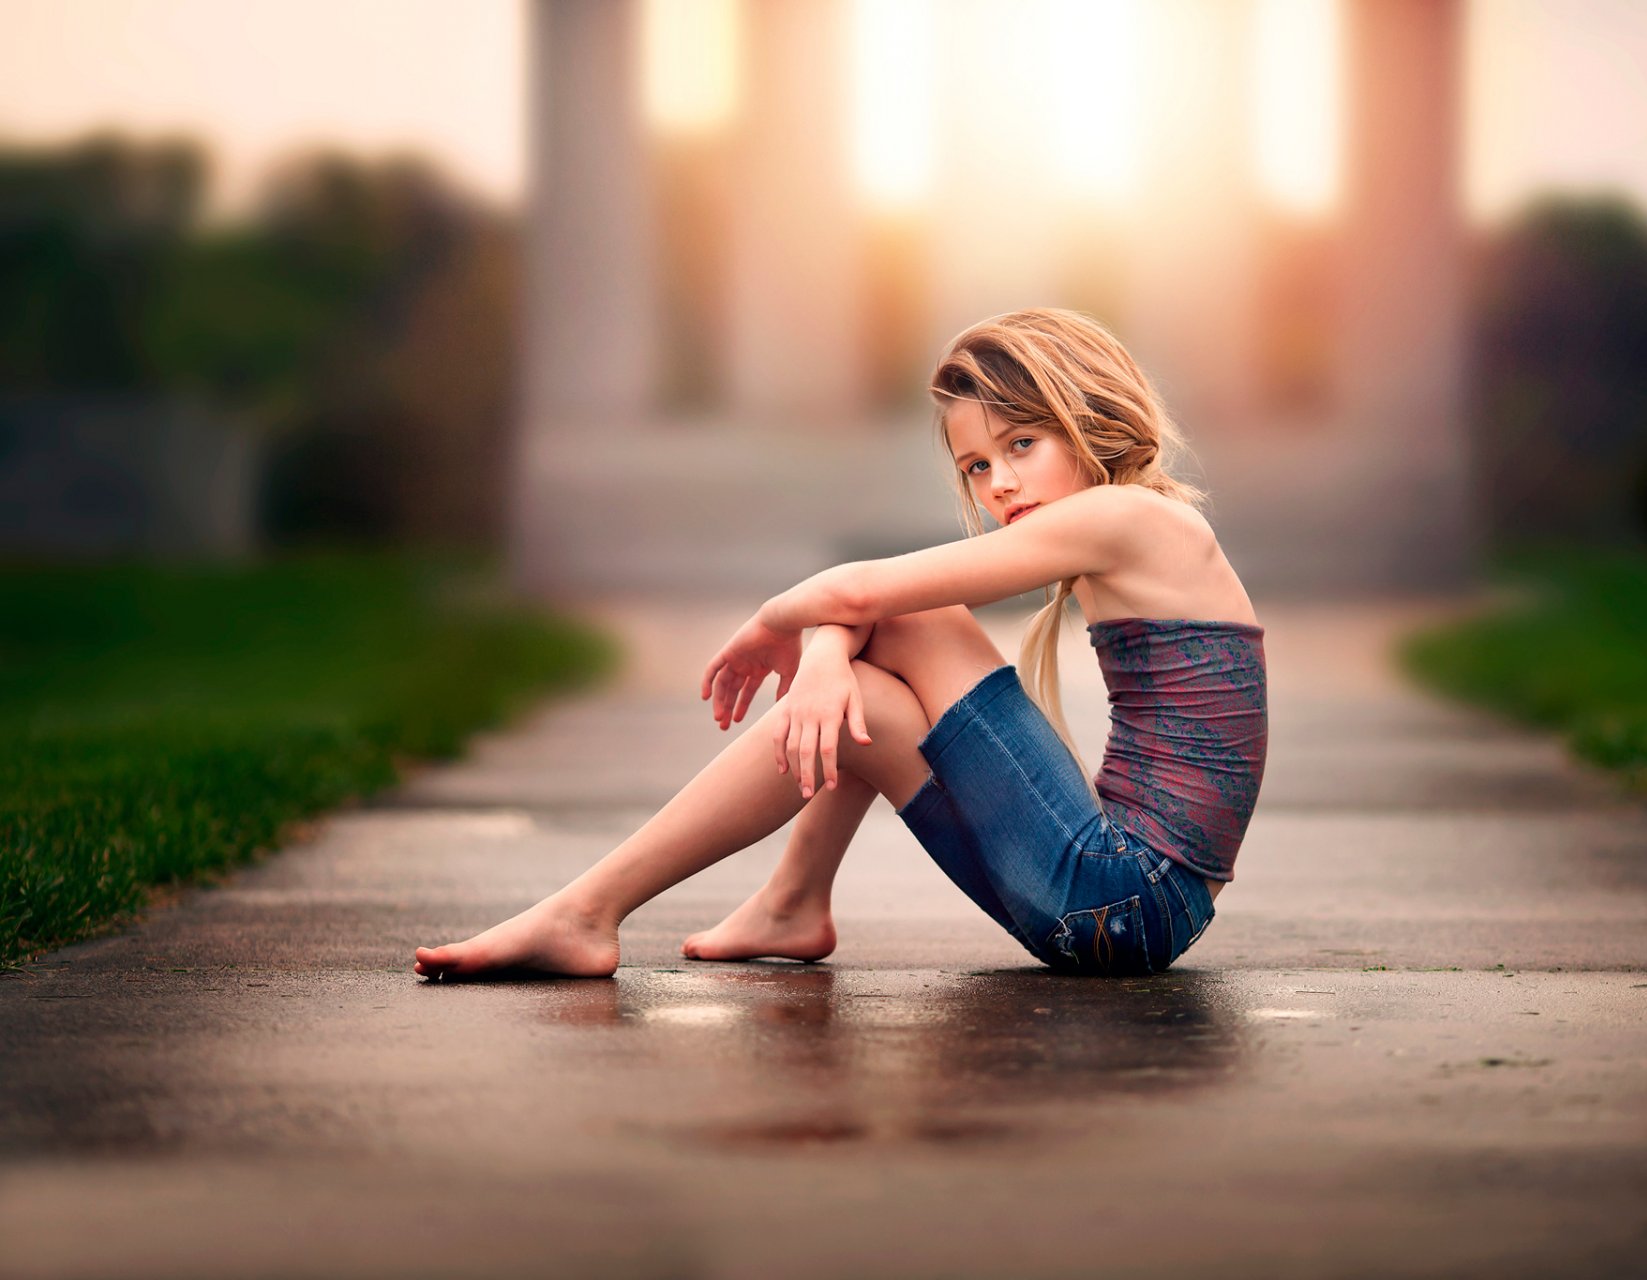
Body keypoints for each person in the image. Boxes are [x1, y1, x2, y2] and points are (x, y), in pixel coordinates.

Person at [414, 308, 1267, 981]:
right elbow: (863, 600)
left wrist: (780, 631)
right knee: (865, 694)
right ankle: (790, 903)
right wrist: (826, 664)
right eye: (976, 466)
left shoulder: (1129, 517)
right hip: (1124, 912)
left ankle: (586, 912)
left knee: (909, 619)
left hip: (1119, 895)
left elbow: (869, 593)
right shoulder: (1130, 527)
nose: (999, 482)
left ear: (1088, 416)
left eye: (1021, 445)